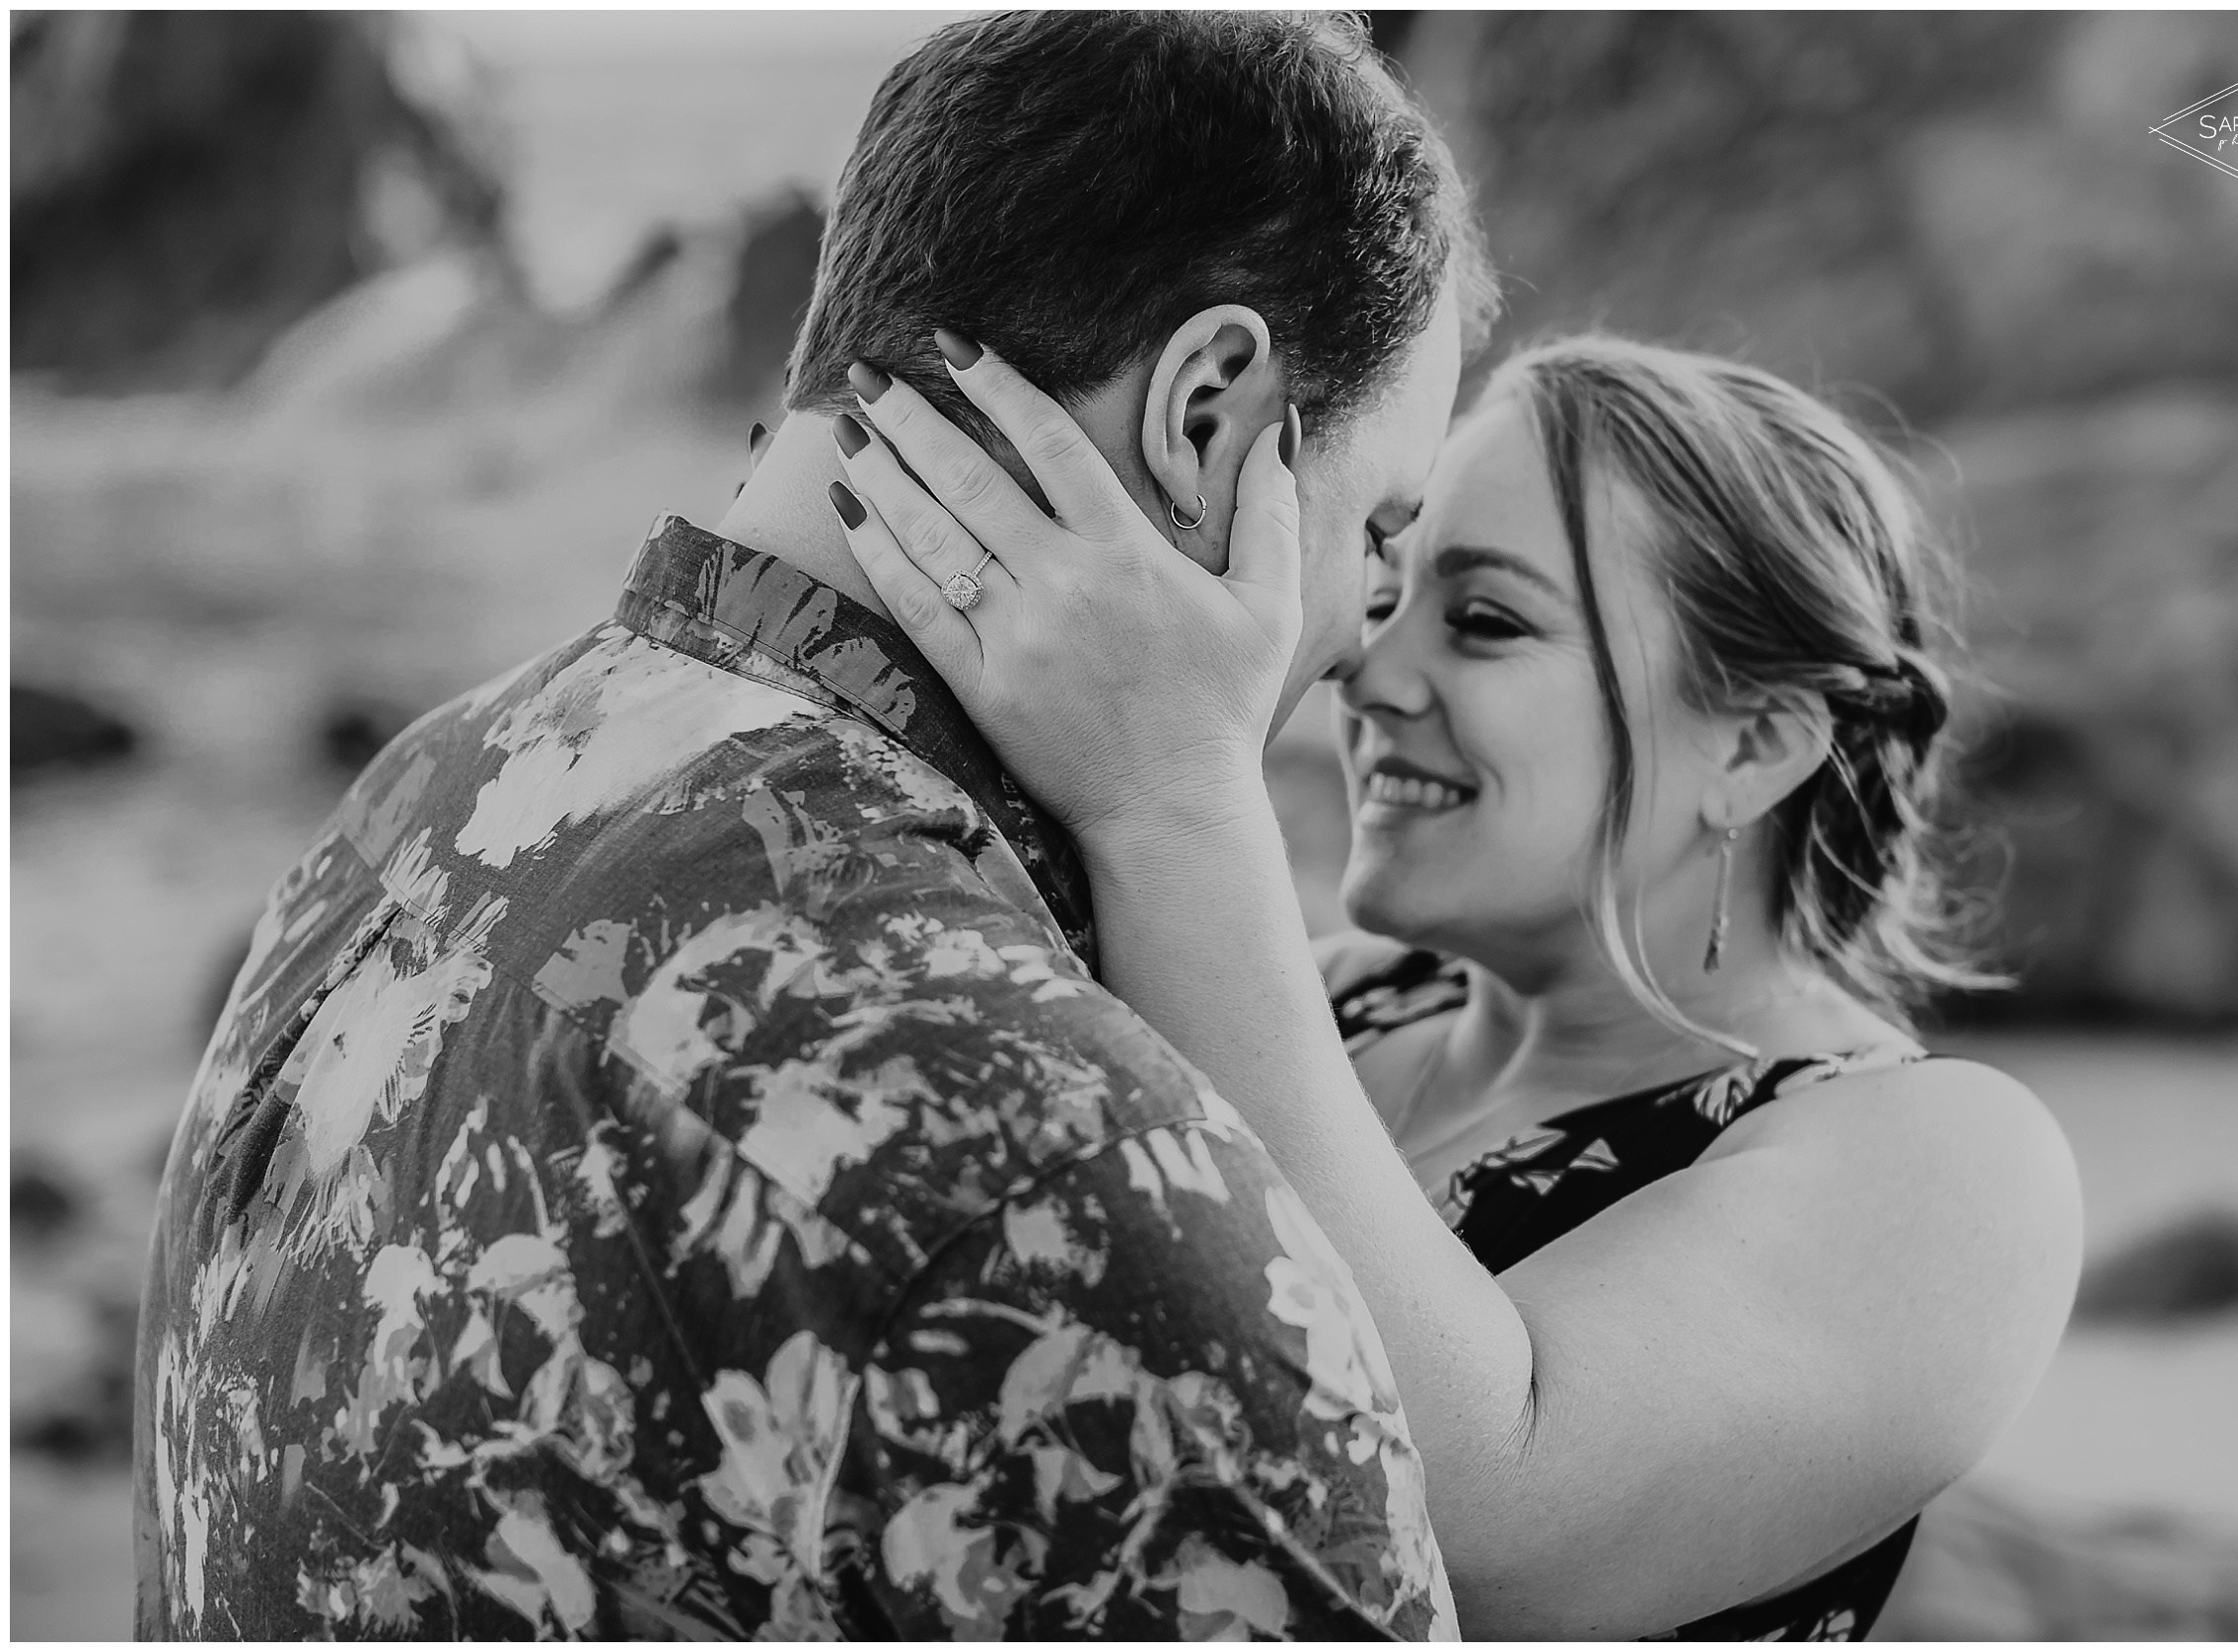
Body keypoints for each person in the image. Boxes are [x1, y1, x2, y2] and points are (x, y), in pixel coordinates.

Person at [133, 13, 1495, 1638]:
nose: (1377, 620)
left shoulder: (412, 810)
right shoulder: (1051, 1168)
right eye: (1383, 525)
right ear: (1209, 414)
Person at [829, 332, 2086, 1639]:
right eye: (1390, 586)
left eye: (1485, 621)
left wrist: (1175, 803)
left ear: (1758, 744)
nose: (1369, 671)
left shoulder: (1949, 1165)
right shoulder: (1316, 1002)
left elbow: (1481, 1537)